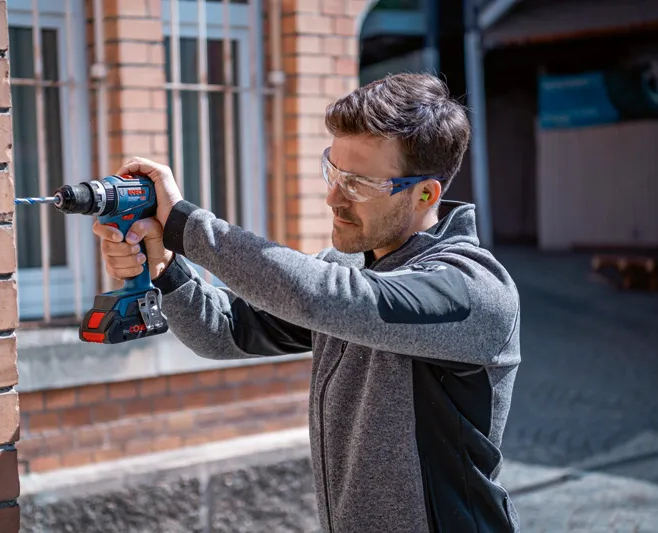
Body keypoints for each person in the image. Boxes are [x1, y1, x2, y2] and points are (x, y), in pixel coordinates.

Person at [93, 72, 521, 533]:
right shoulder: (351, 267)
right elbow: (222, 332)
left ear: (424, 193)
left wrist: (186, 224)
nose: (333, 197)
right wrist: (166, 267)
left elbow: (325, 297)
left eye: (358, 184)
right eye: (333, 171)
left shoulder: (471, 288)